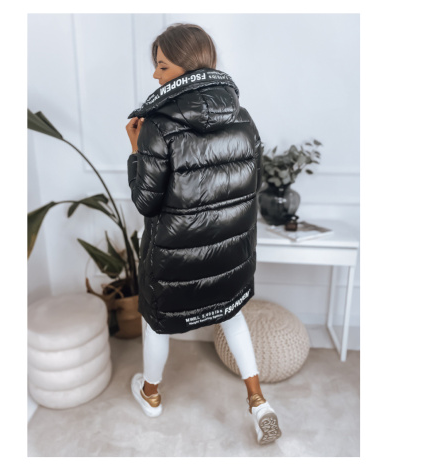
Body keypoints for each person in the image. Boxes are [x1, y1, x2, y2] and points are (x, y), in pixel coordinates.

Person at [125, 23, 281, 445]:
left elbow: (145, 202)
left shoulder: (157, 125)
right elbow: (251, 185)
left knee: (157, 326)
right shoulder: (243, 118)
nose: (155, 75)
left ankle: (151, 394)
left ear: (186, 66)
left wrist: (136, 151)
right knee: (232, 316)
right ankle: (258, 401)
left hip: (175, 258)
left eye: (162, 66)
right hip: (230, 255)